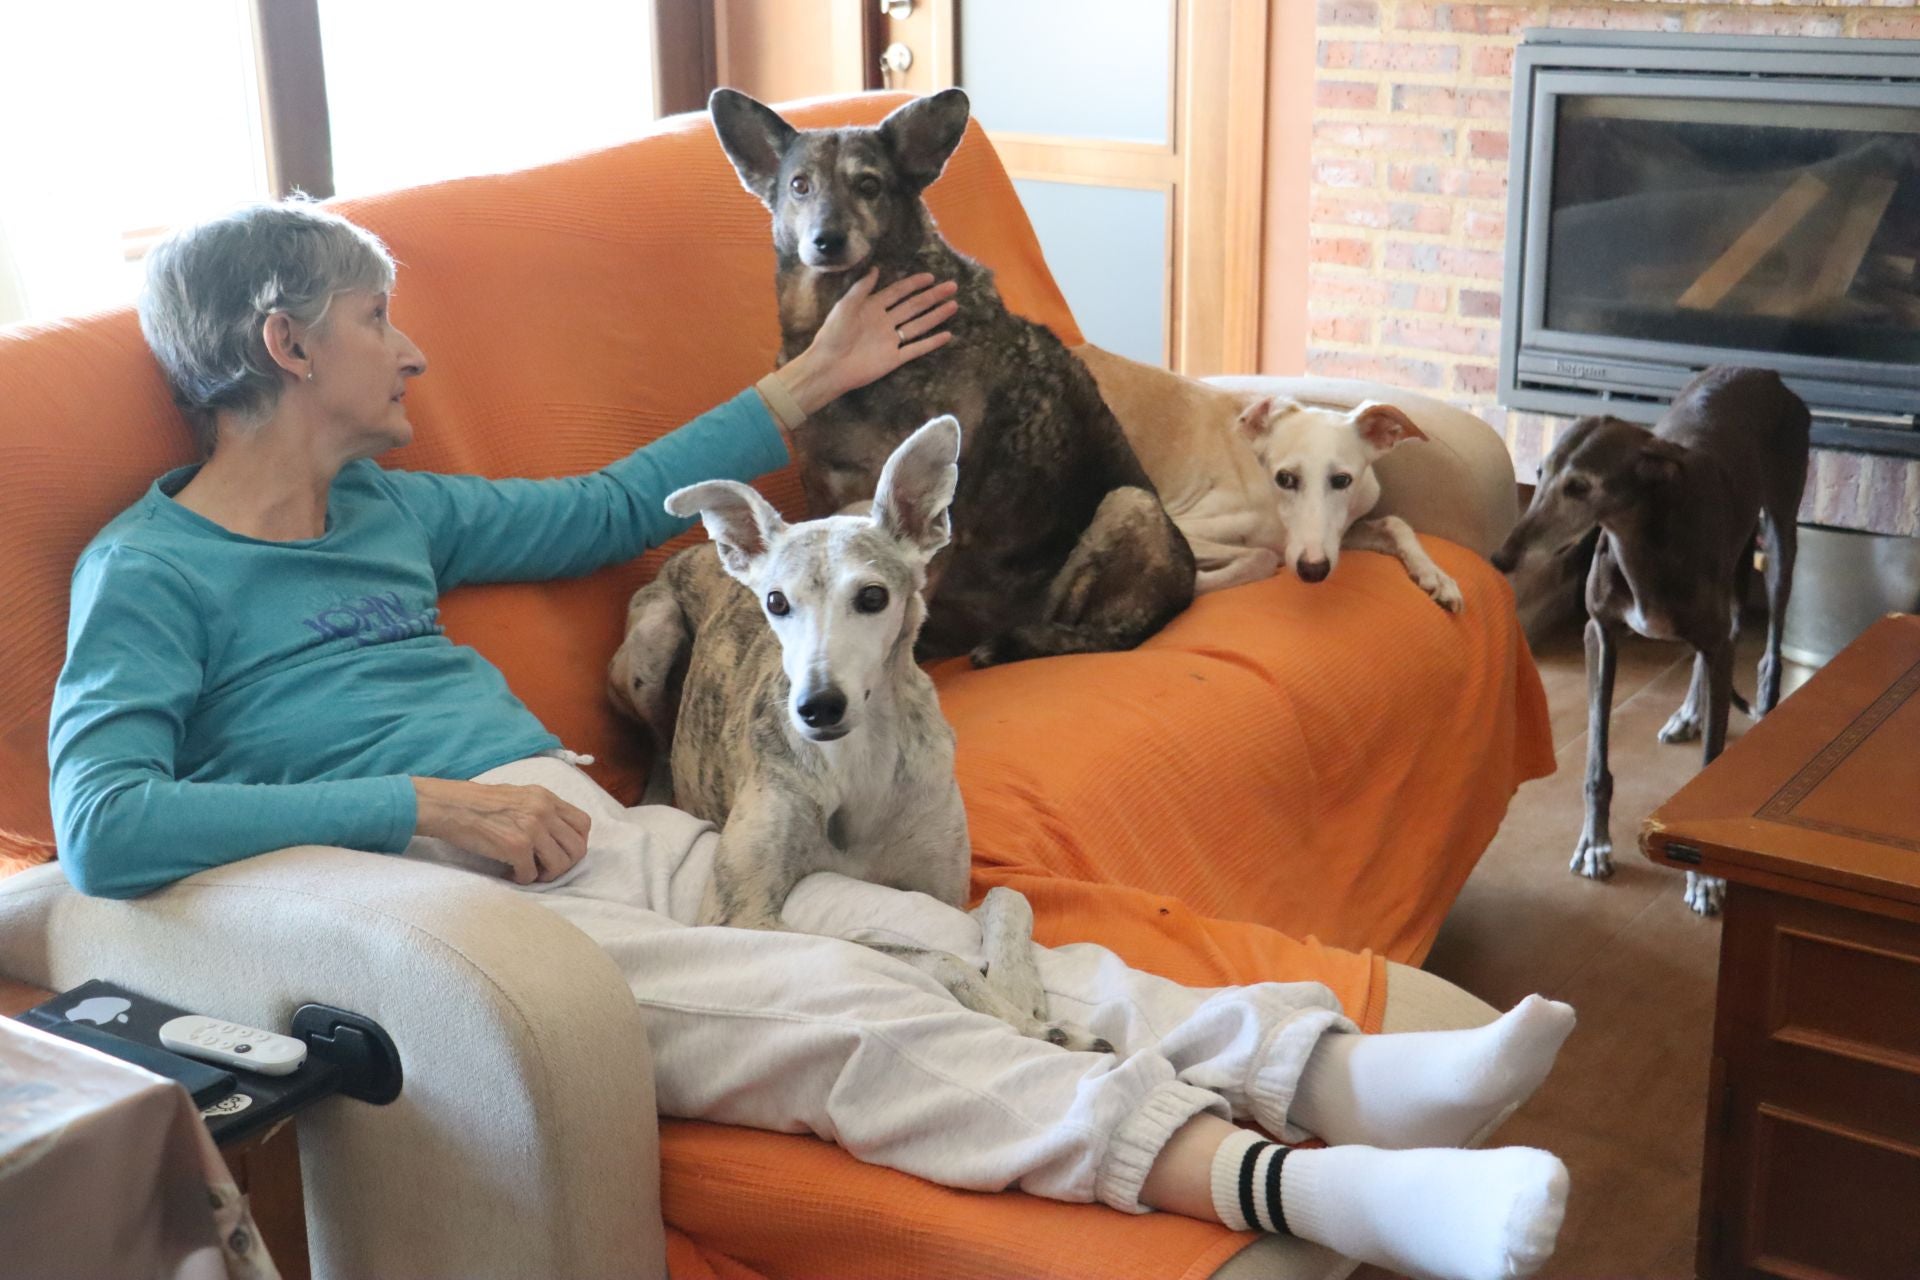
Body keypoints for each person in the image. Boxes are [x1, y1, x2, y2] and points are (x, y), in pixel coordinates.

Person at [49, 200, 1572, 1280]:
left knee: (926, 929)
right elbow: (104, 821)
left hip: (585, 836)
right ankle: (1311, 1189)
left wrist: (813, 380)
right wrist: (422, 811)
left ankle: (1322, 1072)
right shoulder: (154, 570)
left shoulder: (387, 507)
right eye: (379, 319)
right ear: (284, 345)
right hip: (431, 907)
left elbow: (602, 506)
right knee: (834, 1009)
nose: (414, 353)